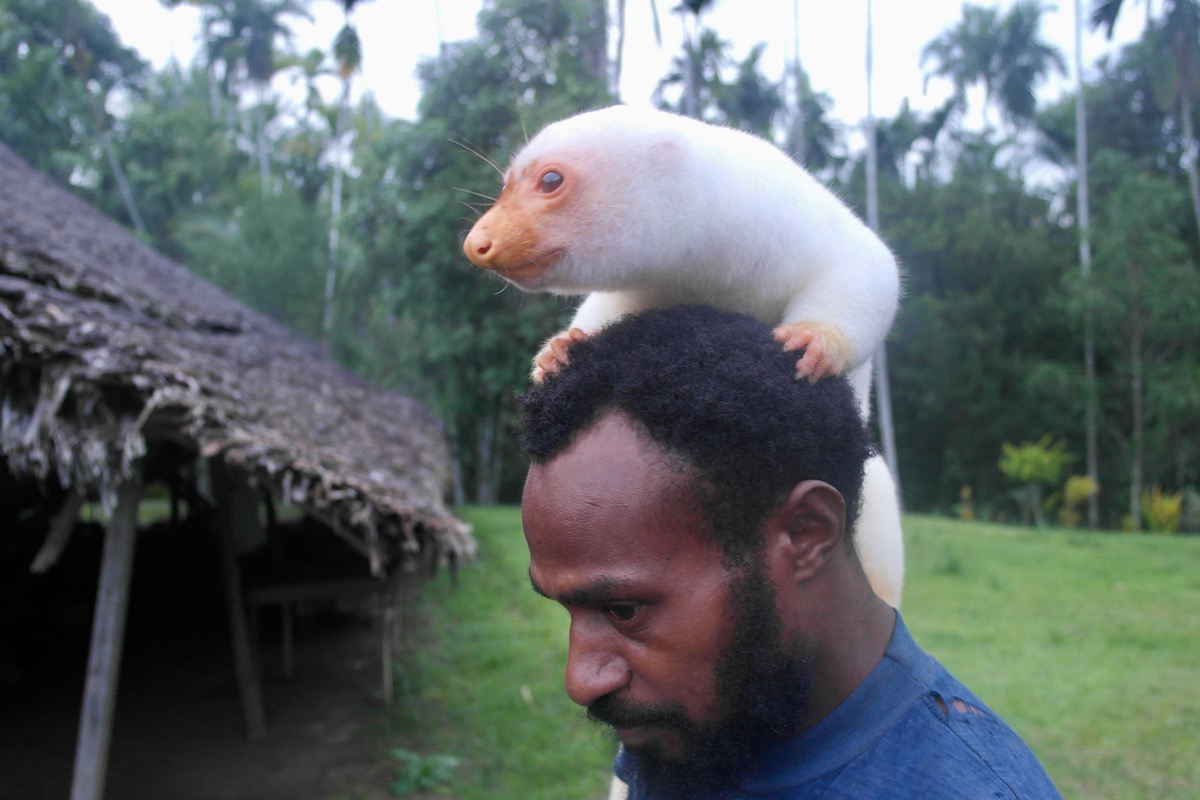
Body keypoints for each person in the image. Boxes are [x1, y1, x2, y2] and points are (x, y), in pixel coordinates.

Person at [518, 304, 1062, 799]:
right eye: (567, 609)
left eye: (624, 610)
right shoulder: (705, 726)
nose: (580, 680)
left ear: (806, 533)